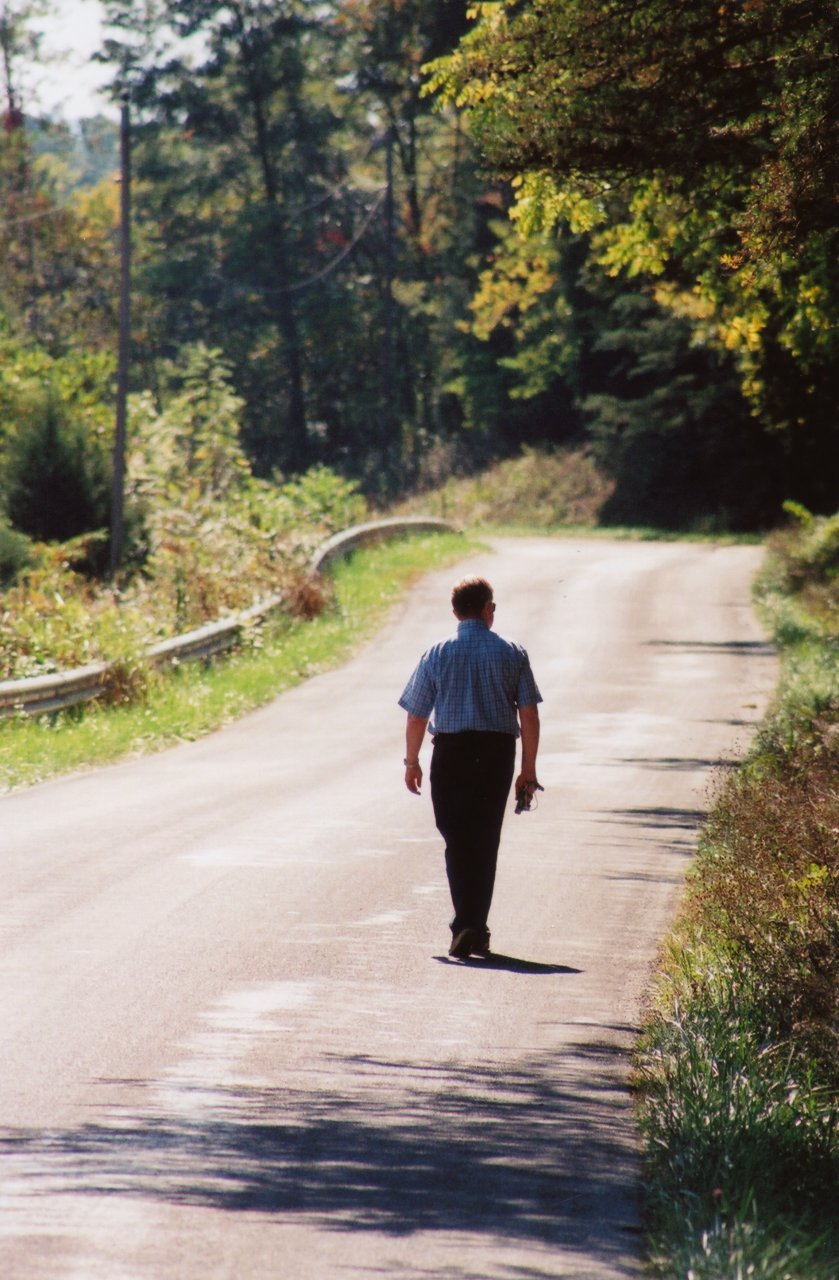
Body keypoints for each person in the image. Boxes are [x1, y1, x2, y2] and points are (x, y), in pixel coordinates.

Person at [398, 576, 542, 958]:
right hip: (496, 754)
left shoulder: (436, 654)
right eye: (492, 607)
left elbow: (416, 716)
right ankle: (473, 926)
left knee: (457, 838)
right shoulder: (512, 652)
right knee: (485, 838)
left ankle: (467, 924)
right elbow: (528, 715)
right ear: (485, 609)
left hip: (451, 753)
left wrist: (412, 762)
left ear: (454, 612)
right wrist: (528, 770)